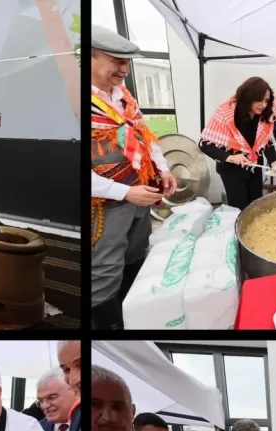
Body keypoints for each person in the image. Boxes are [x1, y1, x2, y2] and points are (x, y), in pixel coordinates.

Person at [90, 26, 178, 330]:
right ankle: (110, 328)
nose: (124, 69)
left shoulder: (124, 96)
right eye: (117, 61)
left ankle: (132, 314)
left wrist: (163, 168)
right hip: (105, 202)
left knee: (135, 254)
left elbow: (146, 136)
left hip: (141, 192)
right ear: (92, 56)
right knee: (103, 269)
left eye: (127, 62)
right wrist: (123, 193)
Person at [198, 77, 276, 210]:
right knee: (239, 208)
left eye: (266, 100)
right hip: (232, 170)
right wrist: (229, 157)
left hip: (254, 166)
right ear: (249, 97)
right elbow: (204, 144)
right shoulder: (226, 113)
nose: (263, 105)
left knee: (255, 205)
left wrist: (274, 161)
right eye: (259, 100)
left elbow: (266, 142)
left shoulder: (264, 115)